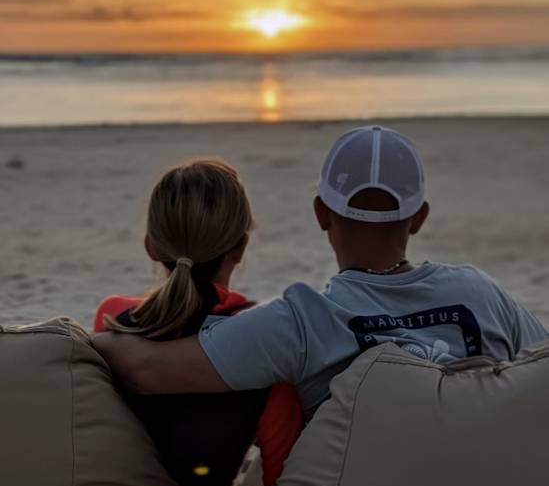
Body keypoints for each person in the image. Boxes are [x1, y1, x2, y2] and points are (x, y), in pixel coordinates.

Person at [93, 126, 549, 422]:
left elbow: (145, 370)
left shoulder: (299, 323)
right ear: (419, 218)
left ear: (321, 213)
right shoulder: (481, 293)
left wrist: (93, 338)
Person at [94, 159, 303, 486]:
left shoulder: (113, 317)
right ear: (240, 248)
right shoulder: (263, 342)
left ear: (151, 246)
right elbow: (283, 484)